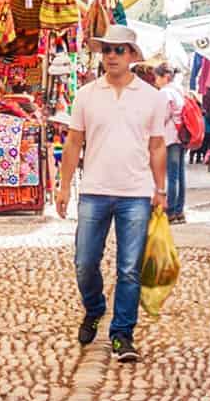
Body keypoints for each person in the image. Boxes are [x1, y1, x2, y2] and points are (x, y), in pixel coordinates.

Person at [54, 25, 169, 363]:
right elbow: (74, 141)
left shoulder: (152, 97)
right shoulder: (86, 95)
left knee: (130, 268)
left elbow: (157, 145)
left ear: (133, 55)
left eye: (120, 50)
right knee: (84, 262)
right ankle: (94, 308)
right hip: (94, 190)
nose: (112, 56)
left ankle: (122, 334)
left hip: (136, 192)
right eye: (107, 50)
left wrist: (160, 189)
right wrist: (63, 187)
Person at [156, 61, 190, 224]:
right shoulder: (179, 91)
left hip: (170, 137)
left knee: (172, 176)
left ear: (165, 77)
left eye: (157, 77)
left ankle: (171, 212)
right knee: (179, 175)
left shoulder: (165, 93)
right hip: (180, 136)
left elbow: (162, 117)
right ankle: (179, 211)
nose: (156, 81)